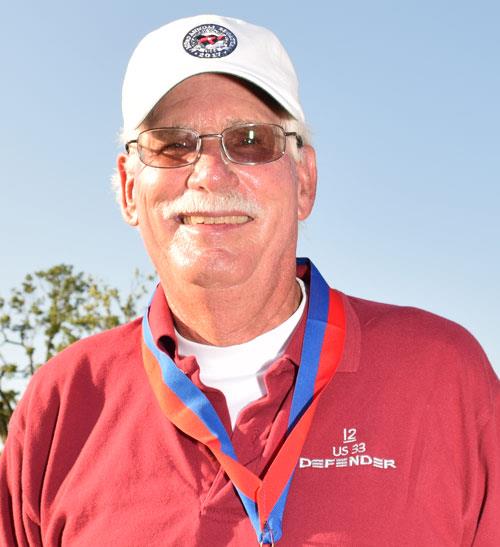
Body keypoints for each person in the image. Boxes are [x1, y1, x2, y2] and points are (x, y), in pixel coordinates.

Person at [1, 14, 498, 546]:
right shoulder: (62, 404)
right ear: (128, 190)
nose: (210, 173)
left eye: (251, 140)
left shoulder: (444, 377)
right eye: (171, 145)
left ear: (304, 181)